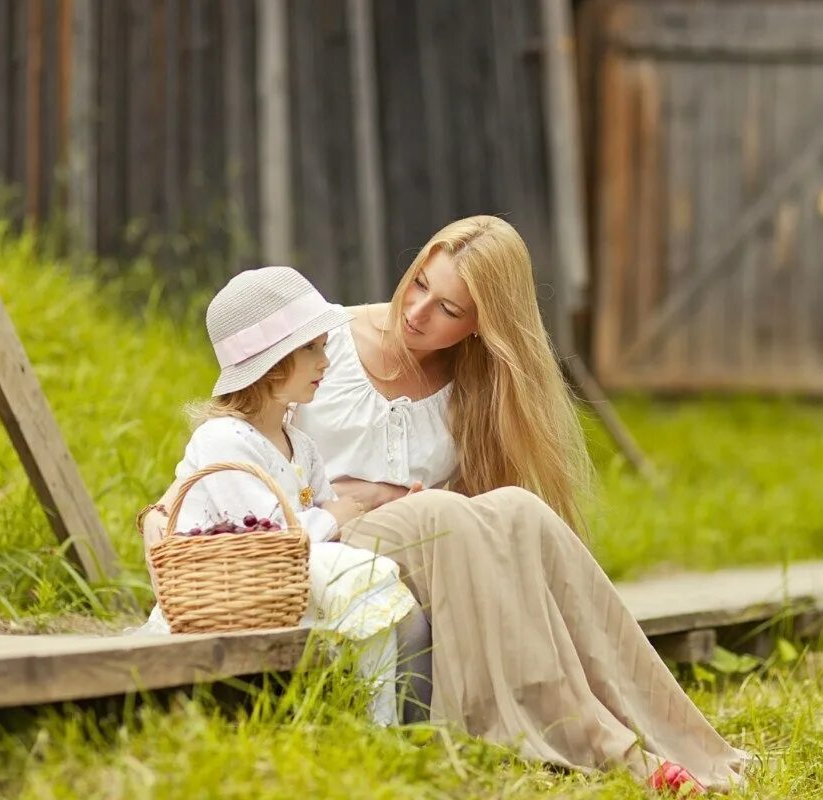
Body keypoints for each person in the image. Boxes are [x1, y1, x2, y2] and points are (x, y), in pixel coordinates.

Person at [144, 217, 747, 794]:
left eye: (448, 310)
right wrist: (161, 519)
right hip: (323, 551)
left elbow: (488, 525)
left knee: (520, 509)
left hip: (411, 551)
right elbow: (228, 448)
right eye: (419, 284)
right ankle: (593, 742)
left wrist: (407, 500)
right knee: (442, 516)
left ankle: (672, 735)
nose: (416, 312)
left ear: (484, 327)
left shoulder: (479, 390)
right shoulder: (317, 344)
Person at [137, 266, 419, 727]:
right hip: (233, 593)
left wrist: (347, 513)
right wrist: (336, 515)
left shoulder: (300, 445)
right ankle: (378, 721)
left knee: (368, 574)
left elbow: (328, 519)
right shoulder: (223, 440)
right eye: (311, 349)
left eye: (324, 347)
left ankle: (379, 715)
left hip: (284, 587)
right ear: (270, 362)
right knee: (366, 574)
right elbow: (269, 536)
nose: (325, 362)